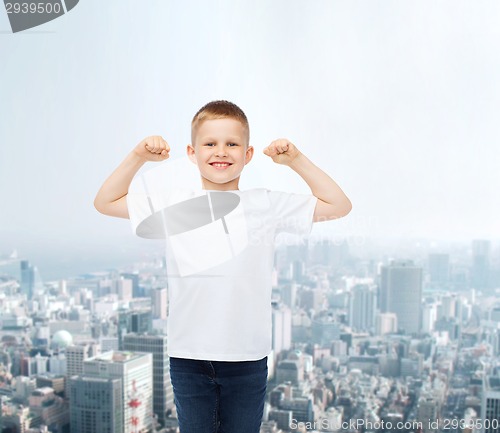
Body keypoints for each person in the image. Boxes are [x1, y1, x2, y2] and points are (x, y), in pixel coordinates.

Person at [94, 100, 351, 433]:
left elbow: (339, 205)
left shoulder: (266, 203)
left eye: (232, 144)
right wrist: (138, 157)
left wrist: (296, 161)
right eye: (210, 143)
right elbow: (105, 202)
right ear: (191, 152)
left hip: (247, 358)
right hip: (189, 357)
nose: (221, 151)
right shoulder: (174, 204)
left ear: (247, 154)